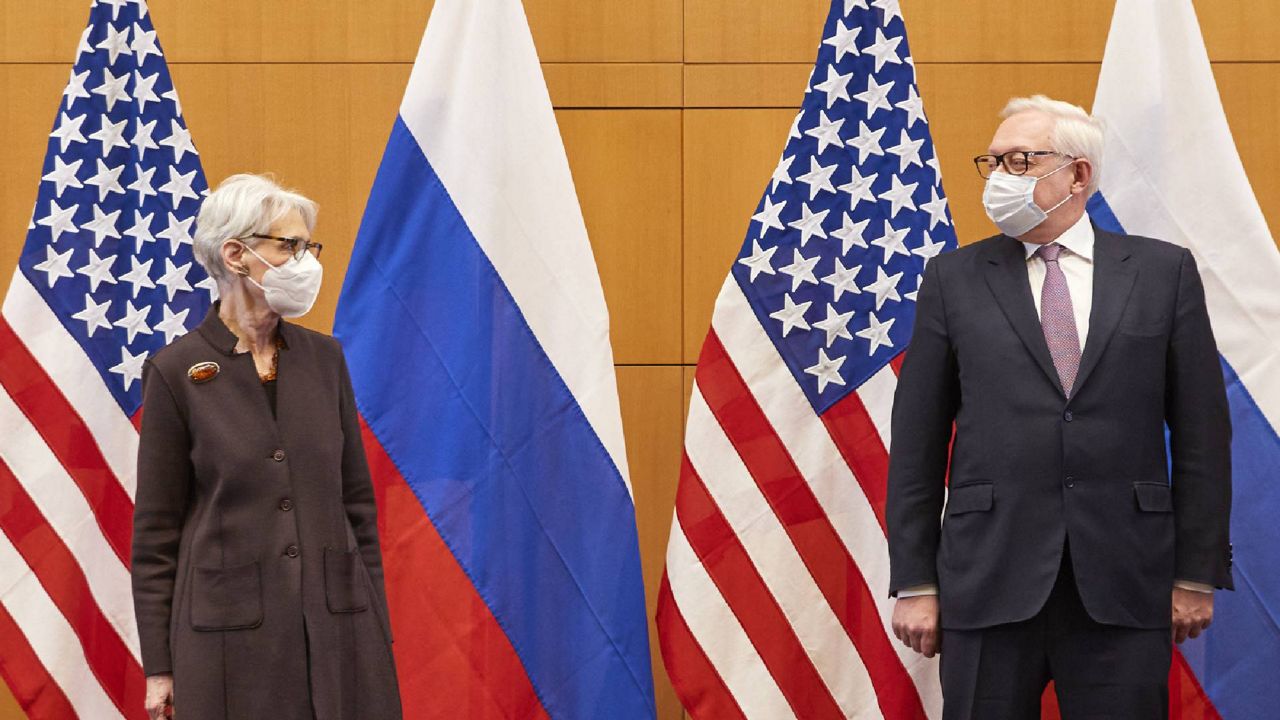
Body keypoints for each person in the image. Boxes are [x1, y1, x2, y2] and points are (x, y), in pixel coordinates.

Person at [886, 95, 1232, 719]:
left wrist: (1196, 572)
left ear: (1078, 174)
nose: (999, 178)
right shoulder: (952, 279)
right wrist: (915, 582)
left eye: (1020, 160)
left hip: (1125, 580)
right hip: (987, 580)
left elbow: (1204, 435)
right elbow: (916, 440)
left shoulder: (1162, 274)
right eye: (991, 163)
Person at [131, 174, 402, 720]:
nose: (305, 261)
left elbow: (357, 507)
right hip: (227, 641)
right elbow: (156, 533)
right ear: (236, 254)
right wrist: (159, 666)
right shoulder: (176, 371)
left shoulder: (326, 360)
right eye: (289, 245)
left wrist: (375, 626)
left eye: (308, 245)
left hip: (338, 631)